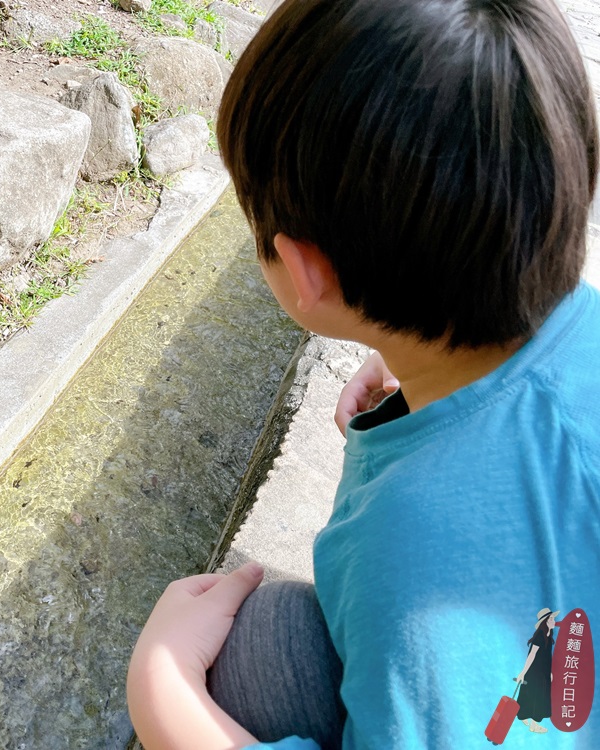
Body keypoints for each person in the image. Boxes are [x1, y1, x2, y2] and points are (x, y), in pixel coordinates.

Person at [126, 0, 600, 748]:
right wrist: (414, 352)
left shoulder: (410, 546)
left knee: (255, 650)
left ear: (304, 271)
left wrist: (164, 696)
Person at [515, 608, 559, 734]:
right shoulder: (540, 635)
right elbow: (532, 654)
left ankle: (524, 716)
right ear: (545, 622)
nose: (554, 621)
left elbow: (546, 657)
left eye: (553, 618)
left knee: (532, 694)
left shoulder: (548, 636)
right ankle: (533, 725)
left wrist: (549, 672)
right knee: (537, 696)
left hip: (542, 672)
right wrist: (523, 672)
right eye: (551, 619)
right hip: (536, 672)